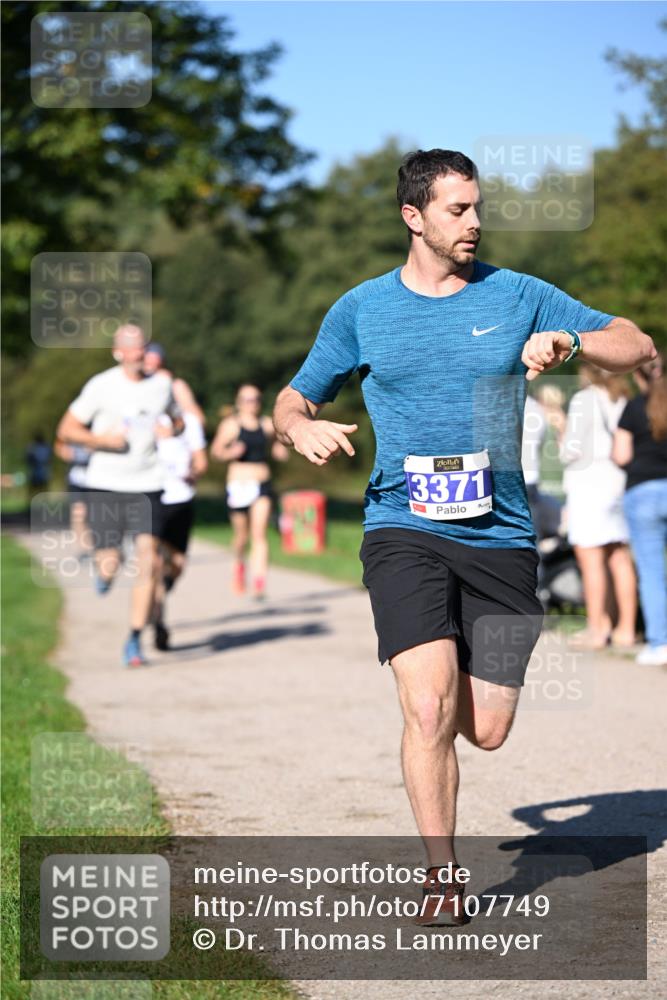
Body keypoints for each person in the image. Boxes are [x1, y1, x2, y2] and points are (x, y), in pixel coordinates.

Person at [273, 149, 656, 924]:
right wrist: (295, 430)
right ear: (413, 217)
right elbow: (295, 396)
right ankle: (441, 876)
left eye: (477, 207)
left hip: (502, 536)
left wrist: (571, 344)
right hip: (400, 526)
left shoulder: (517, 295)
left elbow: (638, 343)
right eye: (457, 210)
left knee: (485, 728)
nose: (474, 222)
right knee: (425, 708)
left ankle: (456, 711)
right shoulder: (362, 309)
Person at [56, 324, 183, 667]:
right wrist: (102, 442)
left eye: (141, 347)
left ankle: (134, 639)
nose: (137, 354)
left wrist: (171, 429)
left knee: (150, 560)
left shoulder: (162, 385)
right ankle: (105, 571)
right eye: (130, 348)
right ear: (117, 352)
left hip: (149, 483)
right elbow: (66, 430)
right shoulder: (101, 386)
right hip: (106, 483)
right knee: (110, 560)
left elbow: (178, 421)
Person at [560, 362, 637, 649]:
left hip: (589, 485)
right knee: (619, 556)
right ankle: (625, 629)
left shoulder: (584, 399)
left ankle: (597, 628)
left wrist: (560, 429)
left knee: (590, 558)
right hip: (618, 483)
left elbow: (570, 451)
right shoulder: (623, 399)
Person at [612, 354, 667, 666]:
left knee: (651, 572)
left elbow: (621, 455)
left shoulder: (633, 408)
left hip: (643, 493)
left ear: (639, 376)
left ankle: (660, 643)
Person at [211, 385, 288, 598]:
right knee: (241, 535)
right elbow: (216, 451)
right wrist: (230, 453)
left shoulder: (266, 425)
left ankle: (259, 583)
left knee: (259, 533)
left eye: (255, 399)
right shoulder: (231, 425)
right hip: (238, 484)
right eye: (246, 399)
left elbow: (276, 444)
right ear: (238, 402)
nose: (251, 403)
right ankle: (238, 566)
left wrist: (280, 450)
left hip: (262, 483)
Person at [152, 409, 208, 650]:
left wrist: (194, 472)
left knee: (178, 563)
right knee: (154, 563)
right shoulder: (146, 417)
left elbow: (201, 462)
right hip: (152, 497)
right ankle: (159, 623)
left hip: (182, 499)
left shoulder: (190, 422)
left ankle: (161, 591)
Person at [54, 440, 93, 559]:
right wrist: (65, 452)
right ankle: (84, 549)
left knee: (101, 513)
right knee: (79, 513)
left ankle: (109, 547)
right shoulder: (72, 425)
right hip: (78, 479)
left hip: (100, 478)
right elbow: (60, 444)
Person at [25, 433, 52, 500]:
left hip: (38, 473)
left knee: (34, 491)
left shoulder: (32, 448)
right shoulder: (46, 447)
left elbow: (28, 459)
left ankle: (31, 505)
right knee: (42, 491)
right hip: (41, 473)